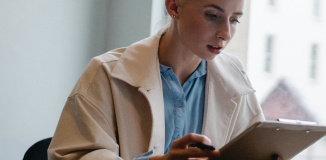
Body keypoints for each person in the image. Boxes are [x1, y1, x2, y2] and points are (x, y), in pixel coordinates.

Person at [47, 0, 266, 159]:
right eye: (212, 15)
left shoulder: (234, 77)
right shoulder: (105, 73)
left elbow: (254, 148)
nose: (226, 33)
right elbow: (77, 156)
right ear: (174, 6)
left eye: (235, 19)